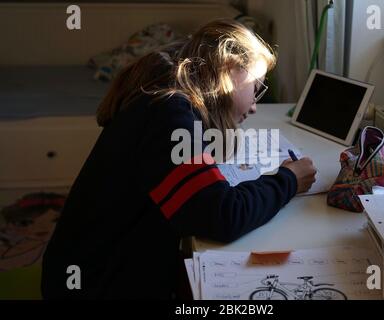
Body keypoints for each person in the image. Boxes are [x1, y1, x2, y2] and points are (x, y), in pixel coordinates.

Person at [41, 19, 317, 299]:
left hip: (98, 264)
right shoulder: (169, 114)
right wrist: (289, 180)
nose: (256, 106)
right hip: (97, 285)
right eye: (256, 88)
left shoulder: (166, 93)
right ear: (229, 68)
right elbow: (221, 216)